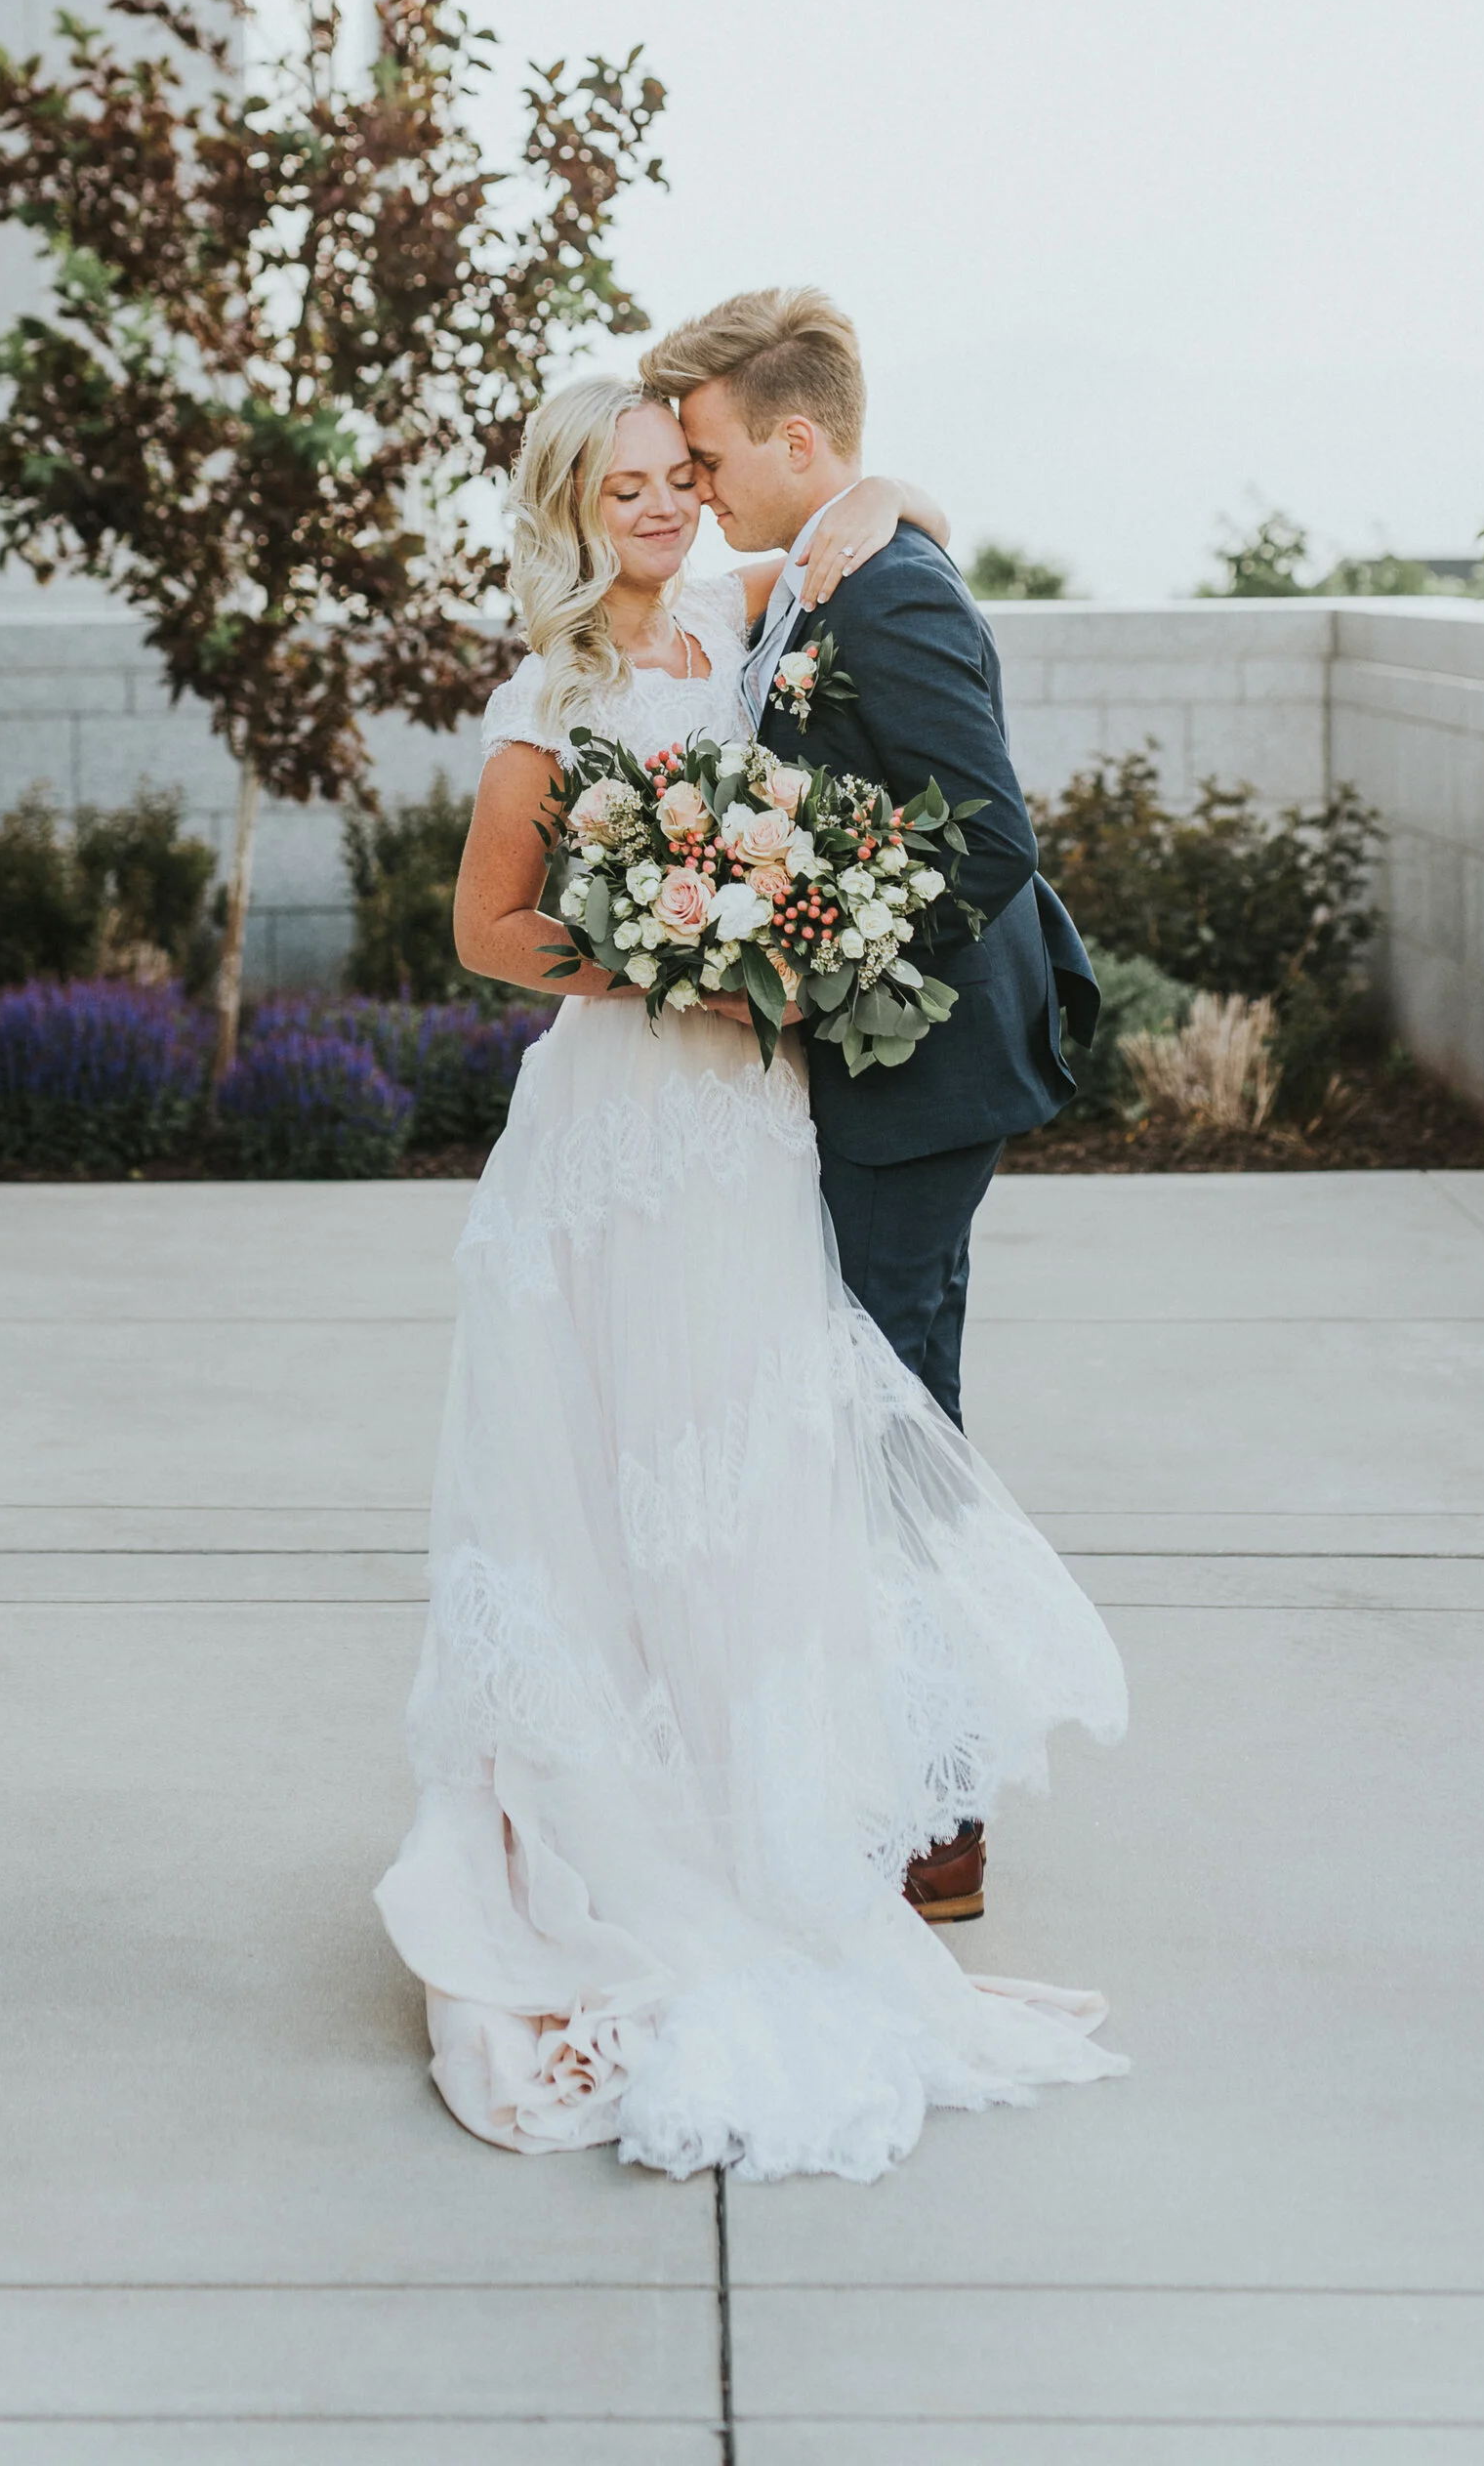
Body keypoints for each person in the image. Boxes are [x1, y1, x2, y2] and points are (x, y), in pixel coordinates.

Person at [374, 371, 1127, 2185]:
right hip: (617, 1130)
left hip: (752, 1134)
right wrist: (656, 958)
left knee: (749, 1477)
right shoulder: (547, 690)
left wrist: (894, 498)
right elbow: (485, 928)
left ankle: (775, 1828)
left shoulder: (743, 616)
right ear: (569, 505)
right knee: (598, 1490)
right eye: (625, 485)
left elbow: (866, 526)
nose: (658, 505)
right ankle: (602, 1848)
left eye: (673, 476)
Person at [639, 285, 1103, 1928]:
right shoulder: (833, 562)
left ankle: (943, 1814)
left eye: (706, 457)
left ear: (796, 438)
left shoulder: (889, 590)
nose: (694, 491)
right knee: (850, 1418)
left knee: (897, 1428)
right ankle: (881, 1771)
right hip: (851, 1077)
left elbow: (987, 841)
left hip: (910, 1083)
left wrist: (795, 938)